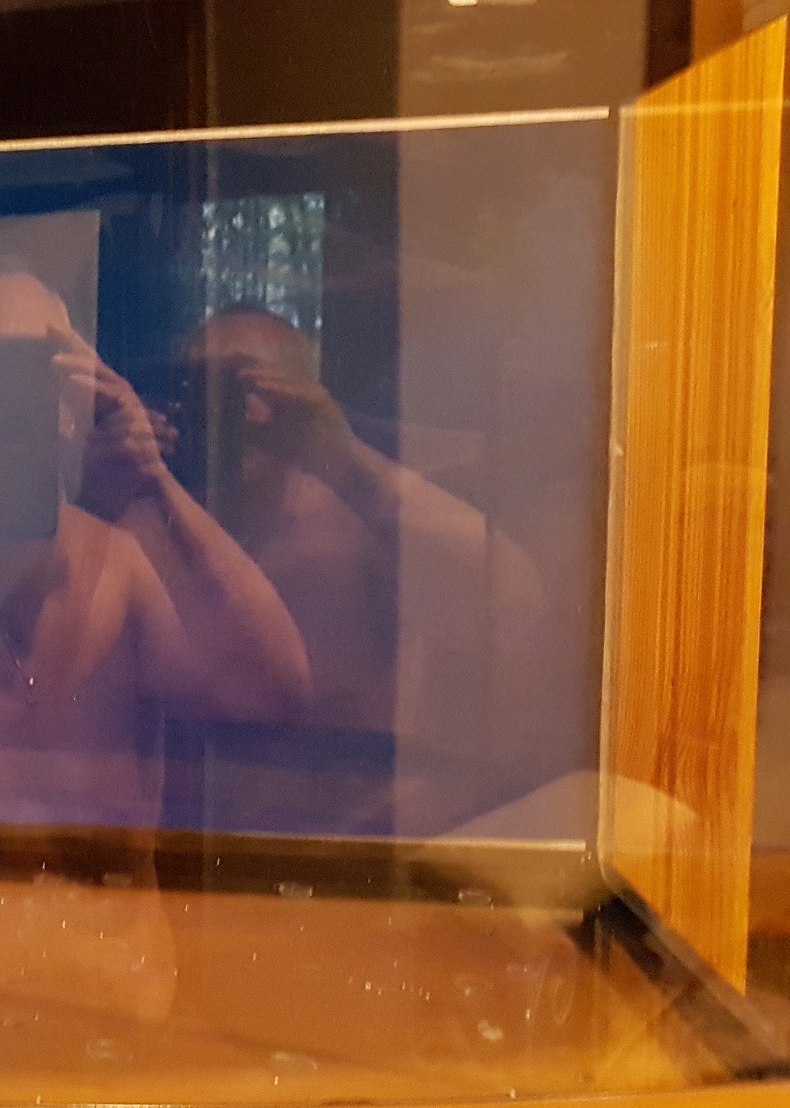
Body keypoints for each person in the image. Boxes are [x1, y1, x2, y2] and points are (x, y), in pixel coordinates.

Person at [0, 274, 310, 854]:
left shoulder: (121, 568)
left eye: (34, 379)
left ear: (75, 405)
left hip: (107, 912)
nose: (12, 409)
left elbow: (278, 699)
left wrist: (160, 483)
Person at [180, 307, 546, 833]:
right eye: (201, 389)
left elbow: (511, 589)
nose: (224, 412)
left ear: (298, 397)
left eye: (243, 385)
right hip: (209, 842)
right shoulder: (164, 529)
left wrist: (343, 457)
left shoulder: (359, 523)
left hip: (350, 841)